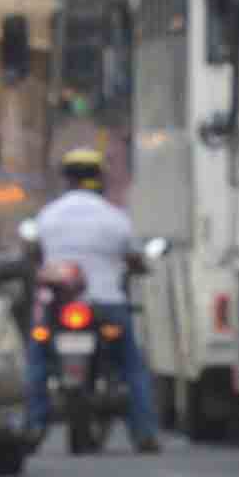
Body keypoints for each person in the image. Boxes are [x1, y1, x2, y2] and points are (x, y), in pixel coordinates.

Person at [26, 142, 163, 453]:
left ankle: (33, 425)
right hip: (107, 304)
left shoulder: (49, 216)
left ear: (66, 179)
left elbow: (34, 253)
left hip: (58, 306)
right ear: (99, 178)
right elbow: (134, 258)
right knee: (132, 365)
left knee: (37, 358)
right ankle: (144, 432)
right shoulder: (115, 218)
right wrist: (139, 266)